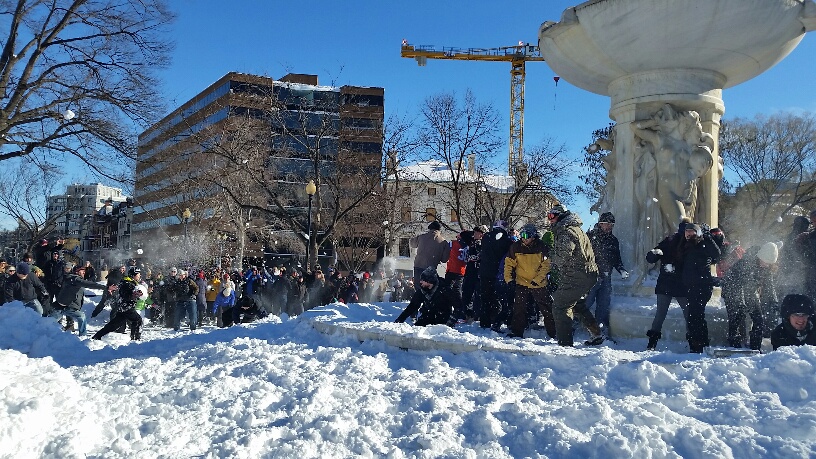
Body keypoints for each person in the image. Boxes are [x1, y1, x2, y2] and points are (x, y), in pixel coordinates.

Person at [547, 205, 605, 347]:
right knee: (576, 303)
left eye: (552, 216)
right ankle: (596, 334)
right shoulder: (576, 229)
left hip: (577, 274)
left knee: (560, 306)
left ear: (560, 216)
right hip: (586, 273)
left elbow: (563, 256)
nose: (550, 219)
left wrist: (550, 259)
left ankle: (565, 345)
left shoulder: (567, 231)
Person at [644, 218, 693, 350]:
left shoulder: (671, 241)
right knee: (687, 315)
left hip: (669, 283)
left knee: (661, 314)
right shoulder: (686, 243)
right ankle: (693, 342)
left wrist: (655, 254)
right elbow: (652, 256)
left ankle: (652, 343)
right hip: (677, 284)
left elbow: (652, 257)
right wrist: (655, 254)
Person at [721, 242, 779, 349]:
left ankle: (755, 346)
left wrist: (774, 302)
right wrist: (741, 302)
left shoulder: (767, 268)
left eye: (769, 263)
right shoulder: (746, 262)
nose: (766, 265)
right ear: (760, 256)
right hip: (732, 290)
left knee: (758, 319)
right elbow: (737, 283)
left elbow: (770, 287)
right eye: (765, 261)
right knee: (737, 316)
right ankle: (734, 345)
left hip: (750, 292)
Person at [503, 223, 556, 338]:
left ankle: (554, 332)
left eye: (527, 236)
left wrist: (537, 280)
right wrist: (509, 279)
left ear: (533, 236)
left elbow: (546, 265)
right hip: (521, 282)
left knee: (547, 308)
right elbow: (509, 264)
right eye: (522, 235)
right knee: (519, 309)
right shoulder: (515, 247)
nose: (524, 238)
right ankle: (517, 332)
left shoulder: (541, 246)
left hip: (538, 283)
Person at [585, 212, 628, 336]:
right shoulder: (590, 237)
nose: (609, 227)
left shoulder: (613, 240)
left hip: (606, 277)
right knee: (586, 303)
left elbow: (616, 259)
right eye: (607, 224)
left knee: (603, 305)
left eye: (611, 225)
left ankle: (600, 331)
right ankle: (574, 325)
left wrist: (621, 270)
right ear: (600, 224)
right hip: (591, 277)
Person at [680, 223, 721, 353]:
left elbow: (716, 253)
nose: (688, 234)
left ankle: (700, 344)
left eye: (691, 231)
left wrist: (707, 236)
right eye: (686, 232)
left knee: (696, 316)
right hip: (691, 286)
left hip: (702, 286)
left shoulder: (702, 243)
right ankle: (696, 344)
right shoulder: (686, 246)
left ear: (697, 233)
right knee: (694, 316)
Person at [394, 266, 459, 326]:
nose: (420, 282)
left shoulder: (444, 289)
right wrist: (399, 320)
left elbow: (458, 306)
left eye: (423, 280)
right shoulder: (422, 290)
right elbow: (412, 306)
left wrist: (451, 321)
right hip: (427, 316)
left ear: (429, 281)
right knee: (416, 330)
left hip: (443, 319)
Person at [92, 267, 144, 341]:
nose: (140, 276)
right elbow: (126, 296)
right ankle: (135, 339)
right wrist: (134, 295)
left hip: (123, 307)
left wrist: (136, 295)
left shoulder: (128, 282)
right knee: (137, 320)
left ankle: (97, 336)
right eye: (138, 274)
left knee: (114, 324)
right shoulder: (127, 283)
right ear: (133, 275)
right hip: (126, 307)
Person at [479, 220, 513, 331]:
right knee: (497, 298)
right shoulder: (505, 240)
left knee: (485, 297)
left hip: (484, 271)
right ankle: (495, 319)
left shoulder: (486, 237)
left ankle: (484, 322)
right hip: (497, 272)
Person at [51, 264, 103, 337]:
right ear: (77, 272)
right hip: (63, 307)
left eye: (84, 271)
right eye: (82, 271)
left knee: (50, 322)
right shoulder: (75, 279)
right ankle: (83, 335)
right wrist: (105, 287)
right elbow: (89, 284)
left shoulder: (73, 279)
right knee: (81, 316)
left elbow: (88, 282)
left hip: (65, 306)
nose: (84, 272)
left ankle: (44, 331)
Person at [409, 220, 450, 286]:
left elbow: (412, 244)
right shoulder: (444, 242)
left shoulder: (422, 237)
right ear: (439, 229)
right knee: (429, 288)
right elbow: (444, 260)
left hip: (418, 265)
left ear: (430, 228)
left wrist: (413, 236)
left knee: (418, 287)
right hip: (431, 268)